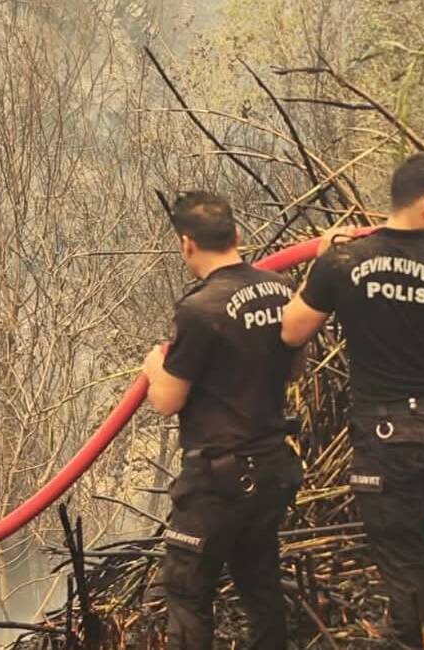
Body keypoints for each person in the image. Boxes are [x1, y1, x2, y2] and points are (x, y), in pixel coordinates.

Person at [280, 152, 424, 648]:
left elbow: (291, 330)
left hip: (386, 434)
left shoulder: (344, 261)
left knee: (400, 549)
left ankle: (412, 636)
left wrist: (321, 264)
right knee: (414, 535)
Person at [142, 191, 306, 649]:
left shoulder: (199, 310)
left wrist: (154, 366)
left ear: (186, 243)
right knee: (261, 585)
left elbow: (167, 400)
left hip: (219, 480)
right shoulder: (280, 288)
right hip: (272, 467)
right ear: (236, 235)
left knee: (187, 590)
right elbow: (295, 368)